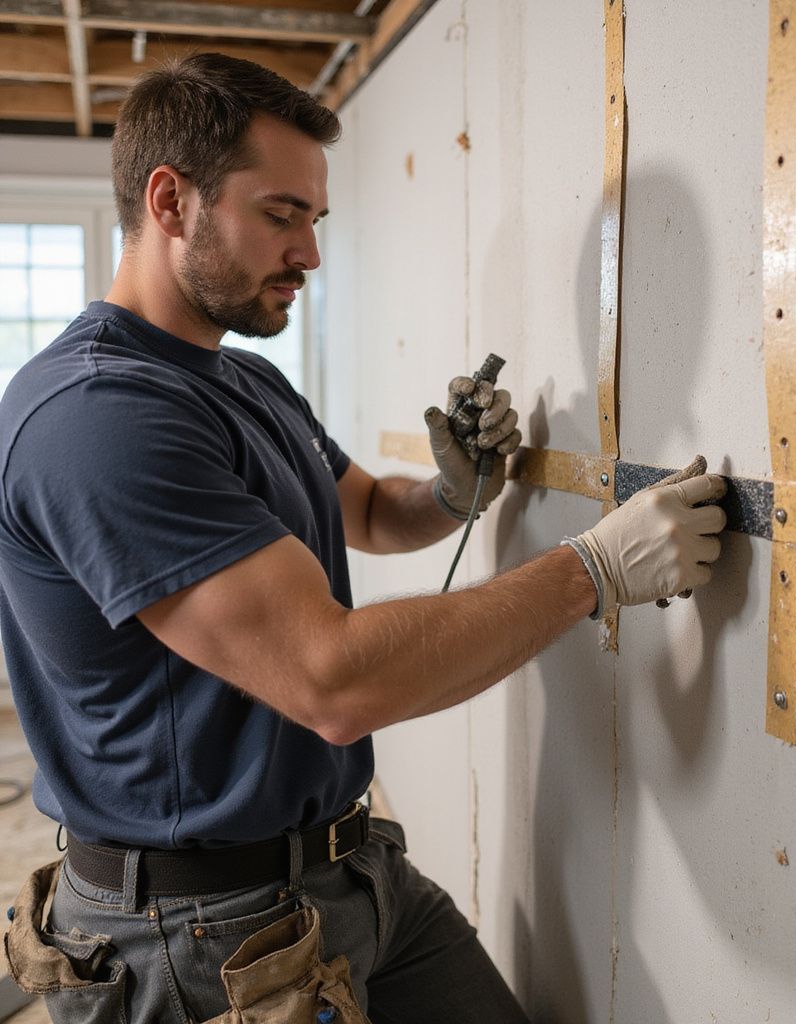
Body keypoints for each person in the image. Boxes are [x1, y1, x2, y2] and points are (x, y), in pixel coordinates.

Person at [0, 53, 727, 1023]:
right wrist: (592, 570)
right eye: (279, 215)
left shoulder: (242, 379)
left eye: (313, 219)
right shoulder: (99, 417)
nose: (308, 253)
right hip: (201, 935)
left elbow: (373, 514)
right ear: (170, 202)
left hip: (350, 869)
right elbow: (331, 680)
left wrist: (454, 489)